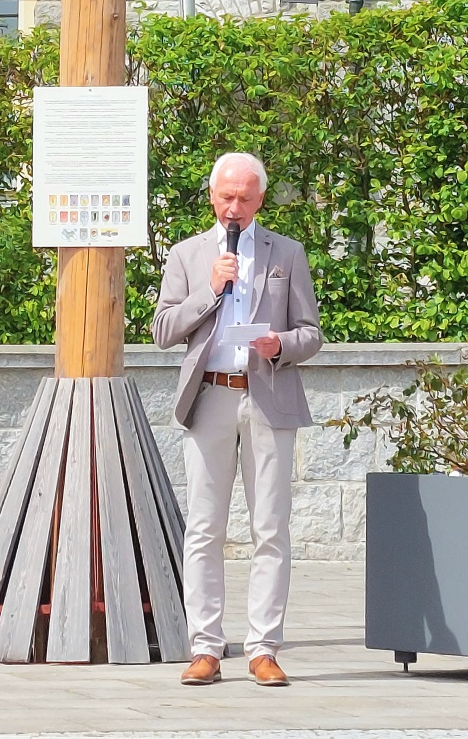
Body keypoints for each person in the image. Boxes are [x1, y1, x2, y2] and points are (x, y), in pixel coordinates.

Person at [152, 152, 323, 687]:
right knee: (205, 528)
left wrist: (280, 344)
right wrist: (211, 289)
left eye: (245, 199)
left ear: (260, 201)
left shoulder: (286, 253)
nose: (234, 208)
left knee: (270, 527)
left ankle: (263, 649)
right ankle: (205, 647)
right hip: (211, 398)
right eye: (226, 197)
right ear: (212, 196)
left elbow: (311, 334)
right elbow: (163, 329)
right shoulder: (187, 254)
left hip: (268, 397)